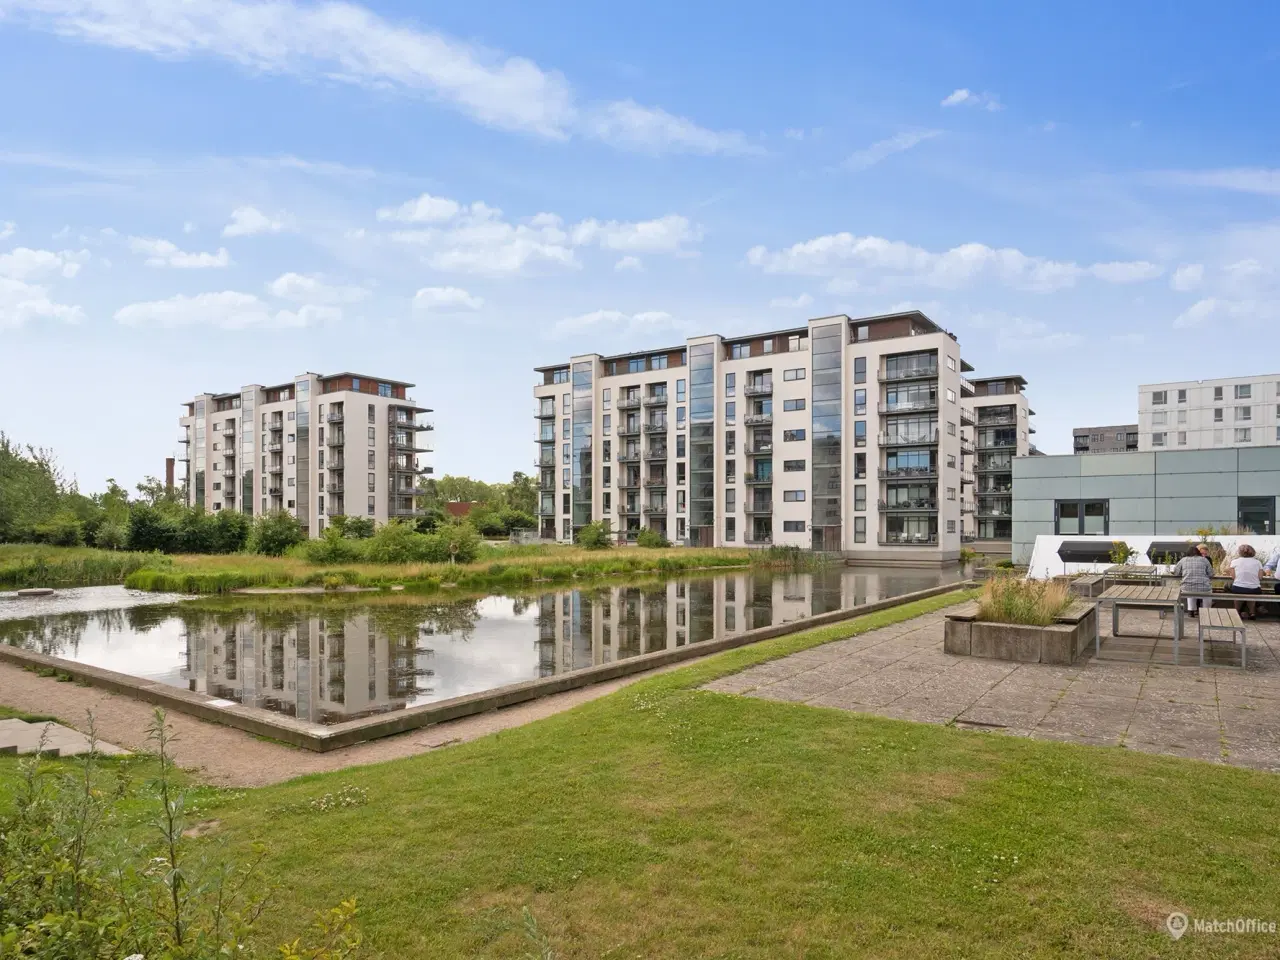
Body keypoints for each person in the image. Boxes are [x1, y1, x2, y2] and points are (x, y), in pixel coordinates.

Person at [1173, 544, 1214, 616]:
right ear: (1198, 552)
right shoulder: (1205, 560)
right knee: (1207, 592)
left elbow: (1176, 573)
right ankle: (1206, 612)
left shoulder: (1183, 560)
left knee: (1190, 588)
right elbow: (1211, 574)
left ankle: (1191, 611)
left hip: (1186, 588)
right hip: (1204, 588)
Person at [1228, 544, 1264, 619]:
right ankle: (1252, 613)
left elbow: (1233, 577)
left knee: (1236, 592)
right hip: (1254, 589)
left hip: (1238, 588)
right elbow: (1260, 577)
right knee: (1252, 594)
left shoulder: (1234, 562)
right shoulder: (1258, 562)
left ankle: (1237, 612)